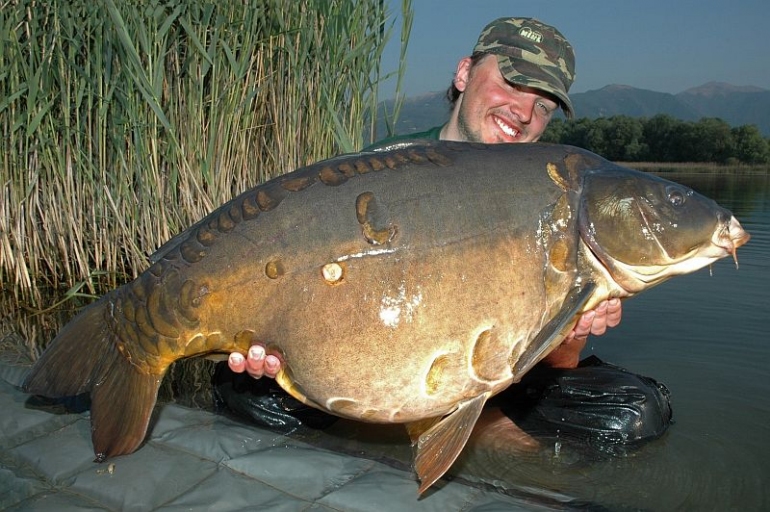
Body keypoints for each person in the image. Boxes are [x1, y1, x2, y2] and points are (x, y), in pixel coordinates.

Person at [216, 17, 671, 450]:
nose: (524, 111)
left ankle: (458, 433)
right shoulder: (377, 172)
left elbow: (558, 366)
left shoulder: (560, 200)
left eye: (544, 105)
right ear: (463, 73)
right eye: (512, 83)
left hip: (495, 380)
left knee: (634, 413)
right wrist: (276, 343)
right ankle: (462, 437)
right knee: (245, 392)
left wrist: (574, 325)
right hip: (383, 373)